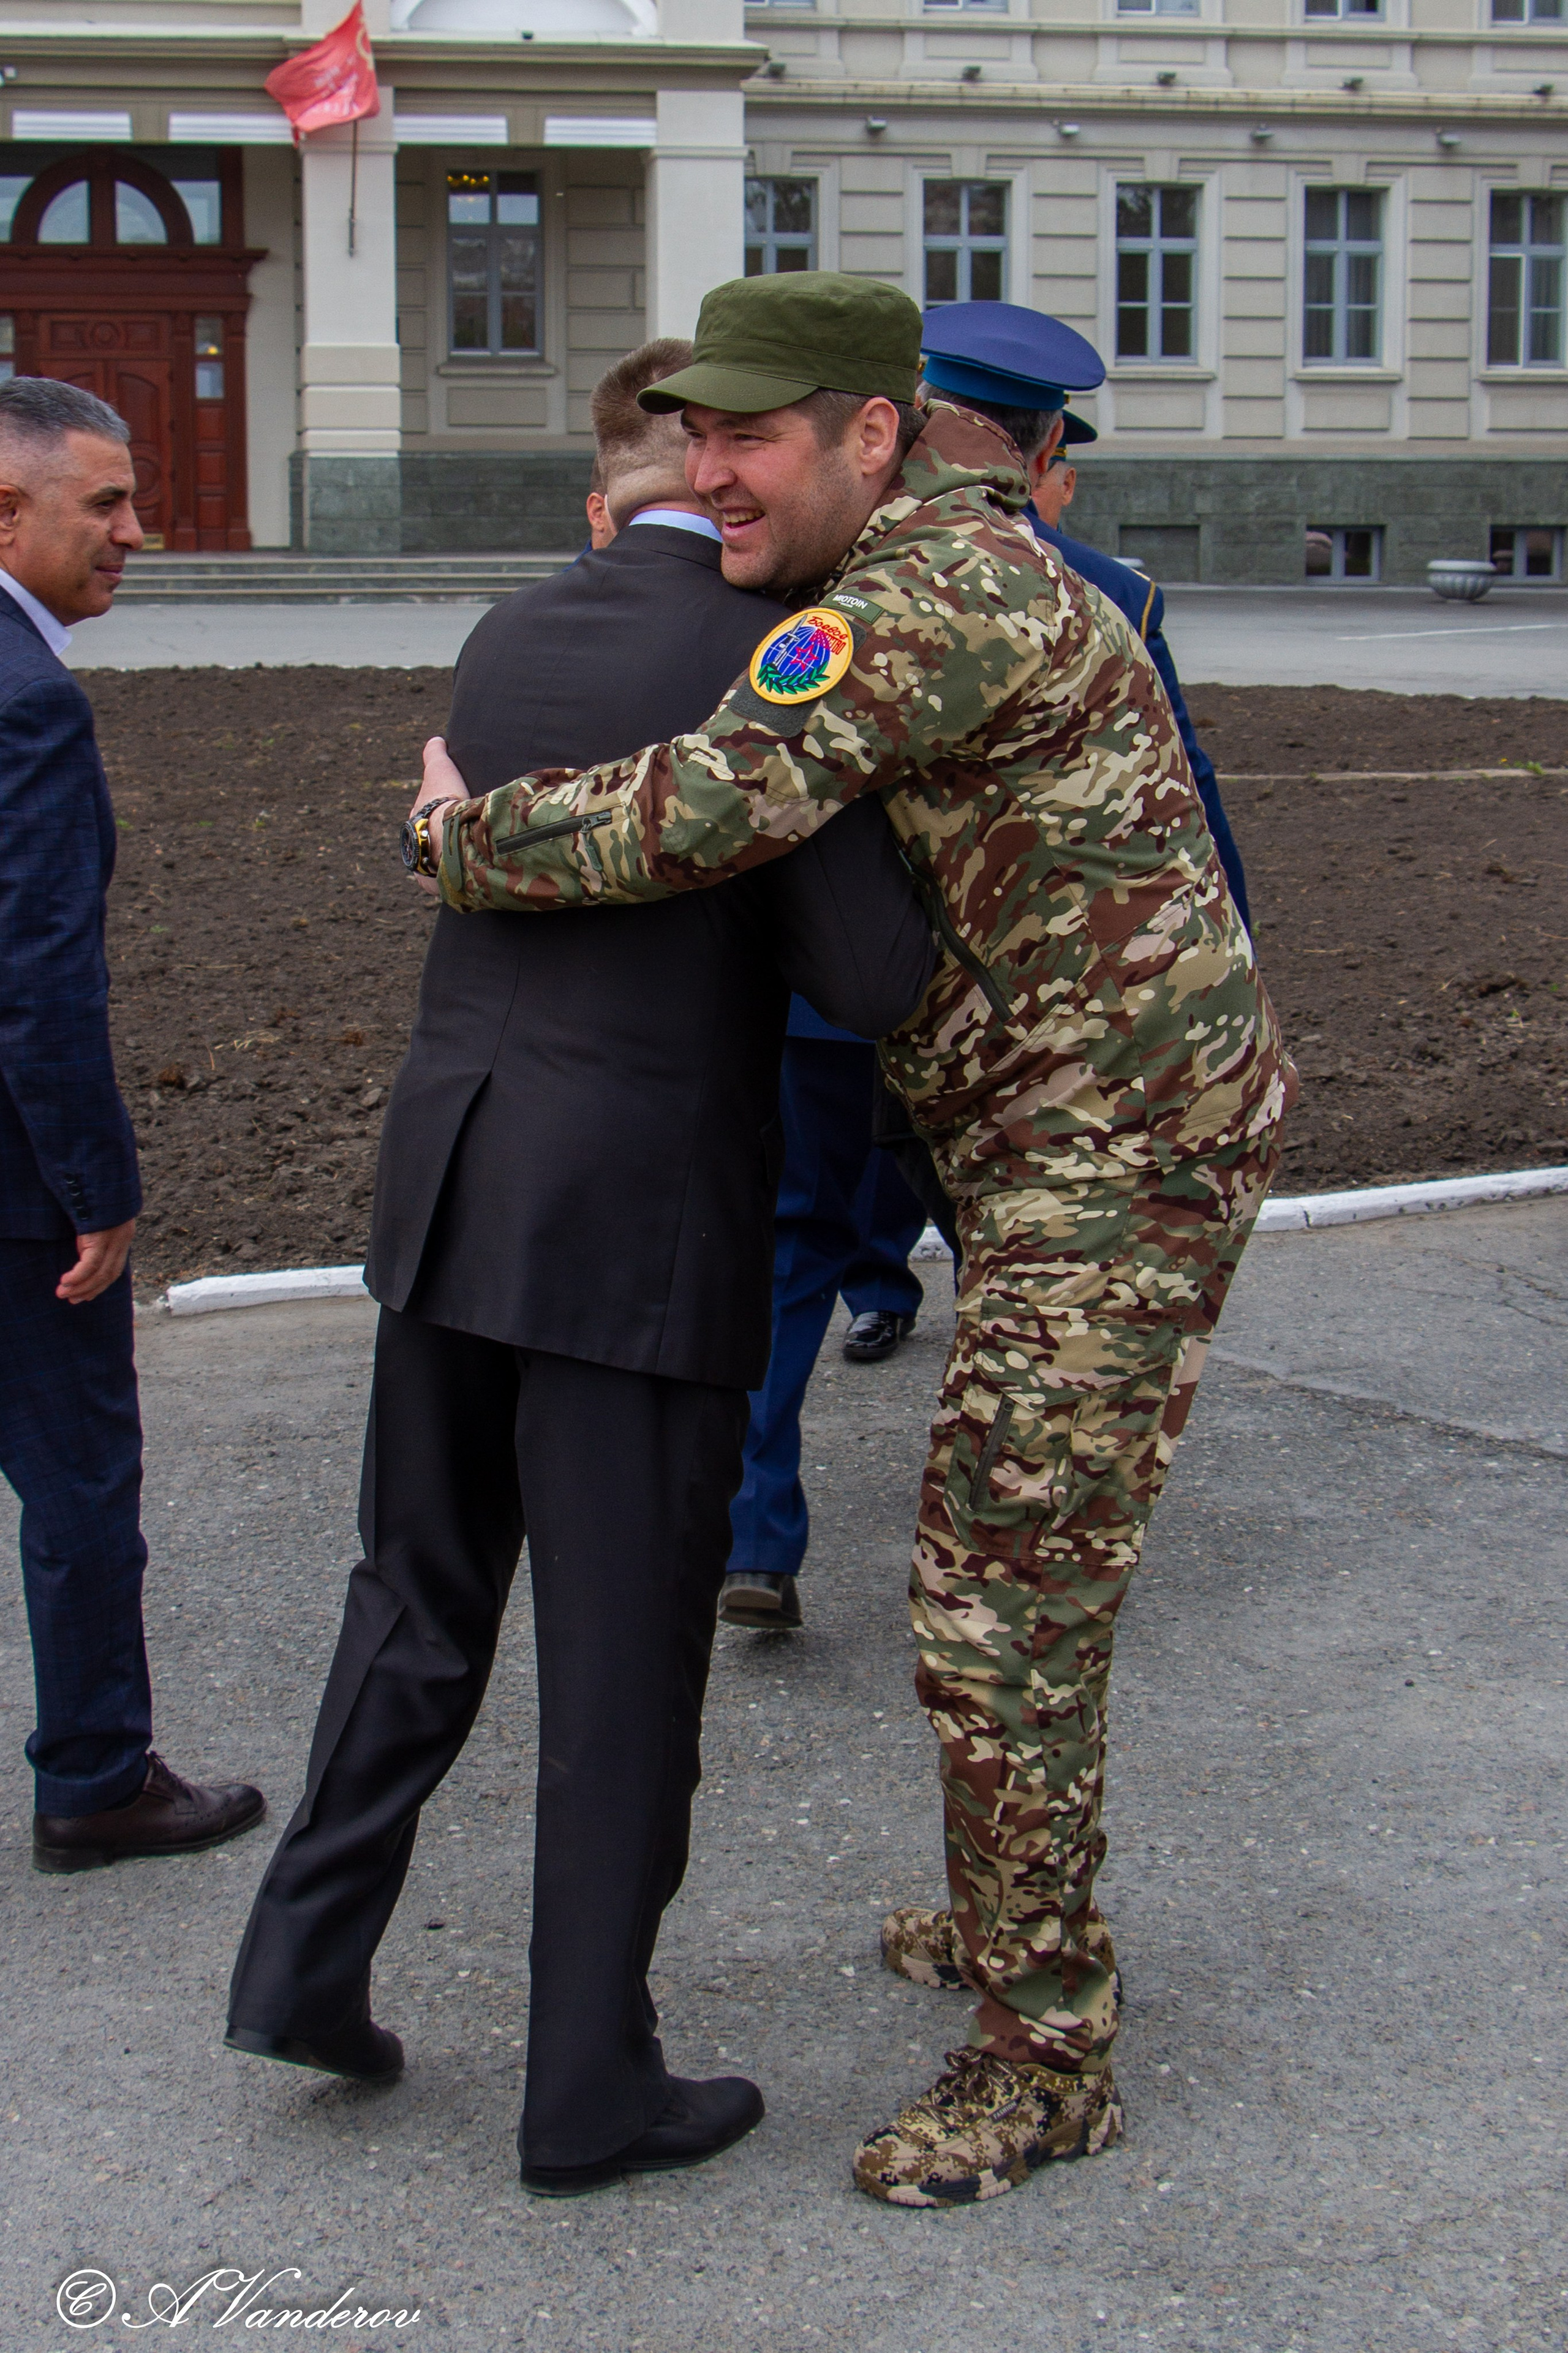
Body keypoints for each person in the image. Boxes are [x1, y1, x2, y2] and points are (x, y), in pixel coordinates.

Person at [412, 268, 1292, 2209]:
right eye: (695, 430)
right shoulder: (925, 563)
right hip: (1065, 1121)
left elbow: (710, 807)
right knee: (1004, 1576)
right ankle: (1014, 1923)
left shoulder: (918, 599)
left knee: (1003, 1595)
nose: (704, 470)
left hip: (1115, 1148)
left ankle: (1044, 2052)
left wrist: (460, 836)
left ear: (868, 439)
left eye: (746, 437)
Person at [224, 339, 935, 2199]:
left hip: (454, 1186)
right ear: (719, 482)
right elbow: (867, 980)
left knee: (414, 1594)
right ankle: (587, 2085)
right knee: (621, 1666)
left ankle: (304, 1956)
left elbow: (466, 844)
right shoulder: (774, 662)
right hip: (638, 1225)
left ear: (600, 489)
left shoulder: (510, 633)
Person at [0, 376, 265, 1873]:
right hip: (18, 1190)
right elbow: (37, 982)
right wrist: (98, 1188)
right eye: (102, 503)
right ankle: (97, 1773)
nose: (136, 532)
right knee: (83, 1482)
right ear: (7, 511)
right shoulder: (29, 701)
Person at [920, 301, 1251, 932]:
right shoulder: (1116, 591)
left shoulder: (835, 554)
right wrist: (1235, 926)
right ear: (1045, 453)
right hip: (1046, 951)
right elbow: (1181, 781)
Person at [717, 1010, 927, 1634]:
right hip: (993, 982)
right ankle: (1023, 1525)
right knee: (1010, 1239)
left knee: (797, 1237)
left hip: (831, 982)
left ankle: (755, 1539)